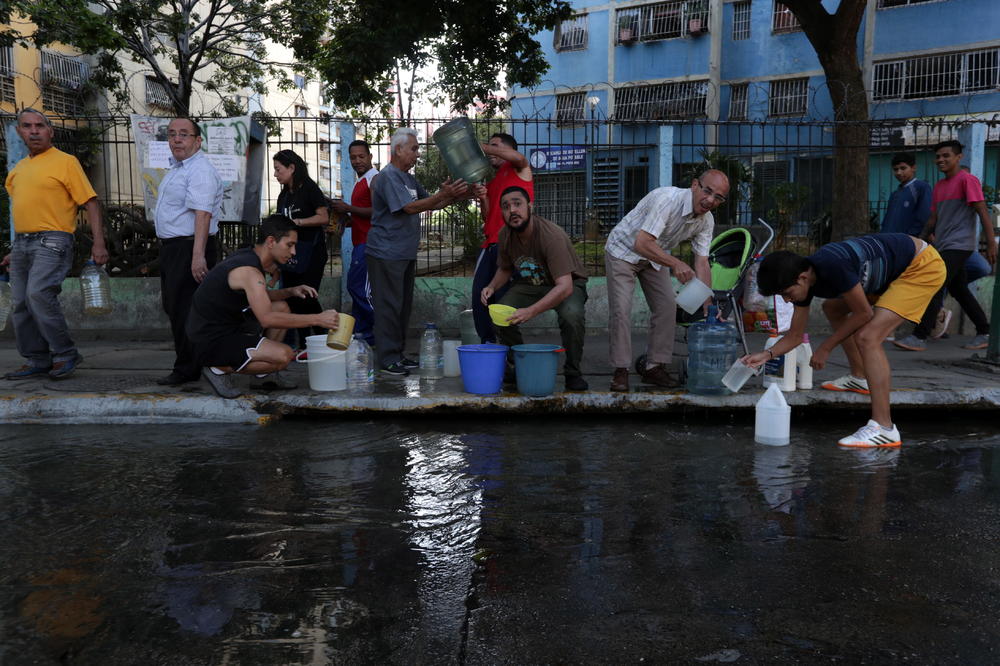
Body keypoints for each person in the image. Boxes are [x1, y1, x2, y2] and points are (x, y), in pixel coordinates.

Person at [742, 234, 945, 448]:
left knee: (868, 338)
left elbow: (864, 314)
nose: (786, 300)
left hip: (921, 266)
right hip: (893, 273)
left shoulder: (832, 265)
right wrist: (765, 355)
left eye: (786, 293)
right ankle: (860, 377)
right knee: (832, 308)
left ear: (802, 278)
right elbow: (794, 336)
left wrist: (826, 347)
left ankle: (884, 428)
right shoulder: (808, 281)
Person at [1, 108, 108, 380]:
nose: (34, 131)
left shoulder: (65, 162)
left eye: (40, 125)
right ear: (19, 132)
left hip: (53, 240)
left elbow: (91, 203)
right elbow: (25, 210)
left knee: (39, 294)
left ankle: (65, 353)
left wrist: (99, 244)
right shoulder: (18, 170)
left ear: (51, 131)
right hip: (22, 244)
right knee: (21, 302)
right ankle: (37, 358)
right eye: (27, 126)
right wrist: (15, 250)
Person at [186, 215, 341, 398]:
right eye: (289, 245)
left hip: (225, 327)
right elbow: (266, 318)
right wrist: (318, 319)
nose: (294, 253)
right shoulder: (250, 271)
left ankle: (262, 376)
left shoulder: (250, 258)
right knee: (284, 355)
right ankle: (217, 368)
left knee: (282, 307)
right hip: (210, 340)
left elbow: (260, 299)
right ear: (271, 241)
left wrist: (290, 291)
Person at [603, 170, 729, 392]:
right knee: (621, 309)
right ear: (694, 185)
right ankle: (620, 371)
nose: (710, 200)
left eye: (718, 197)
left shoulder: (706, 221)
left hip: (654, 255)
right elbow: (641, 243)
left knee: (667, 306)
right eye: (707, 191)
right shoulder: (666, 200)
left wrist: (709, 306)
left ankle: (653, 367)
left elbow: (702, 263)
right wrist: (676, 263)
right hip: (623, 250)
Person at [367, 127, 473, 376]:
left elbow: (432, 204)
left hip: (403, 253)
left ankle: (397, 355)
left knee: (402, 307)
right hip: (385, 252)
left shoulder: (408, 178)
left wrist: (455, 195)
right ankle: (387, 359)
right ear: (398, 149)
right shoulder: (388, 176)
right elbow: (411, 208)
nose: (417, 154)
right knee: (388, 307)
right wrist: (442, 194)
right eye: (414, 149)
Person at [481, 186, 590, 391]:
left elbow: (564, 287)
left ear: (530, 206)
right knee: (502, 314)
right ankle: (518, 365)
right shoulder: (505, 235)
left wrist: (531, 311)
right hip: (530, 283)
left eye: (517, 204)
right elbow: (505, 268)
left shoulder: (551, 236)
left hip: (568, 284)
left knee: (571, 315)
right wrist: (491, 286)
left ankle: (573, 372)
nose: (512, 210)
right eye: (506, 207)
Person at [893, 140, 996, 352]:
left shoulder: (967, 180)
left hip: (960, 244)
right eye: (938, 156)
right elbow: (933, 218)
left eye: (946, 155)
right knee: (959, 289)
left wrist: (991, 242)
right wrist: (920, 242)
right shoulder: (939, 186)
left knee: (935, 284)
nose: (941, 160)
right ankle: (985, 331)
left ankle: (920, 336)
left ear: (959, 157)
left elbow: (982, 211)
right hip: (943, 244)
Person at [154, 117, 224, 386]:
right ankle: (191, 364)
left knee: (186, 309)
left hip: (190, 247)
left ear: (198, 140)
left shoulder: (200, 170)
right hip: (175, 248)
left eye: (184, 134)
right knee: (175, 307)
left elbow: (203, 214)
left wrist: (198, 256)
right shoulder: (178, 168)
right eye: (172, 134)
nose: (176, 139)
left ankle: (188, 368)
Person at [472, 132, 533, 343]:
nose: (490, 151)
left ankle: (512, 355)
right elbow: (488, 217)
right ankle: (488, 347)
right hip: (489, 245)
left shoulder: (520, 168)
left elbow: (518, 157)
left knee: (504, 302)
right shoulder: (494, 180)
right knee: (481, 299)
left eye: (495, 146)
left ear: (508, 149)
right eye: (489, 146)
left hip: (511, 243)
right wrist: (482, 198)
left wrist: (482, 146)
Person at [273, 149, 331, 349]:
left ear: (291, 168)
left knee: (307, 296)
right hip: (290, 254)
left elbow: (323, 217)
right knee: (294, 297)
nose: (275, 174)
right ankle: (306, 344)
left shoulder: (309, 188)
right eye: (274, 170)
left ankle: (323, 338)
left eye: (278, 169)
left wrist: (297, 222)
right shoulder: (284, 195)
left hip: (312, 252)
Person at [330, 140, 378, 347]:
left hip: (370, 243)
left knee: (359, 289)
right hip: (361, 242)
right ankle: (363, 336)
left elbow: (378, 211)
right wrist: (345, 222)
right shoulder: (361, 181)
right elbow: (362, 215)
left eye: (361, 156)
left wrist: (347, 208)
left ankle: (383, 330)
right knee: (358, 289)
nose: (357, 161)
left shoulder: (374, 179)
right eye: (353, 157)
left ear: (370, 157)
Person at [880, 152, 932, 237]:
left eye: (903, 168)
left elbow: (924, 216)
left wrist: (911, 236)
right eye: (895, 169)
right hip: (889, 240)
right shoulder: (894, 194)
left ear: (913, 168)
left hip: (908, 241)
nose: (899, 173)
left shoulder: (921, 187)